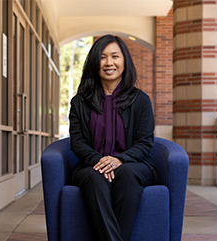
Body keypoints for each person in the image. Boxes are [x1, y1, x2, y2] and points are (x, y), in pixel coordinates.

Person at [69, 34, 159, 241]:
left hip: (134, 164)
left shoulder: (141, 100)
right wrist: (99, 161)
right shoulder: (80, 102)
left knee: (126, 173)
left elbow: (145, 142)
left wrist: (119, 159)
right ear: (94, 62)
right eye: (102, 57)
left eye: (115, 56)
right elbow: (77, 142)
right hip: (91, 165)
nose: (109, 62)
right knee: (95, 176)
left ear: (124, 61)